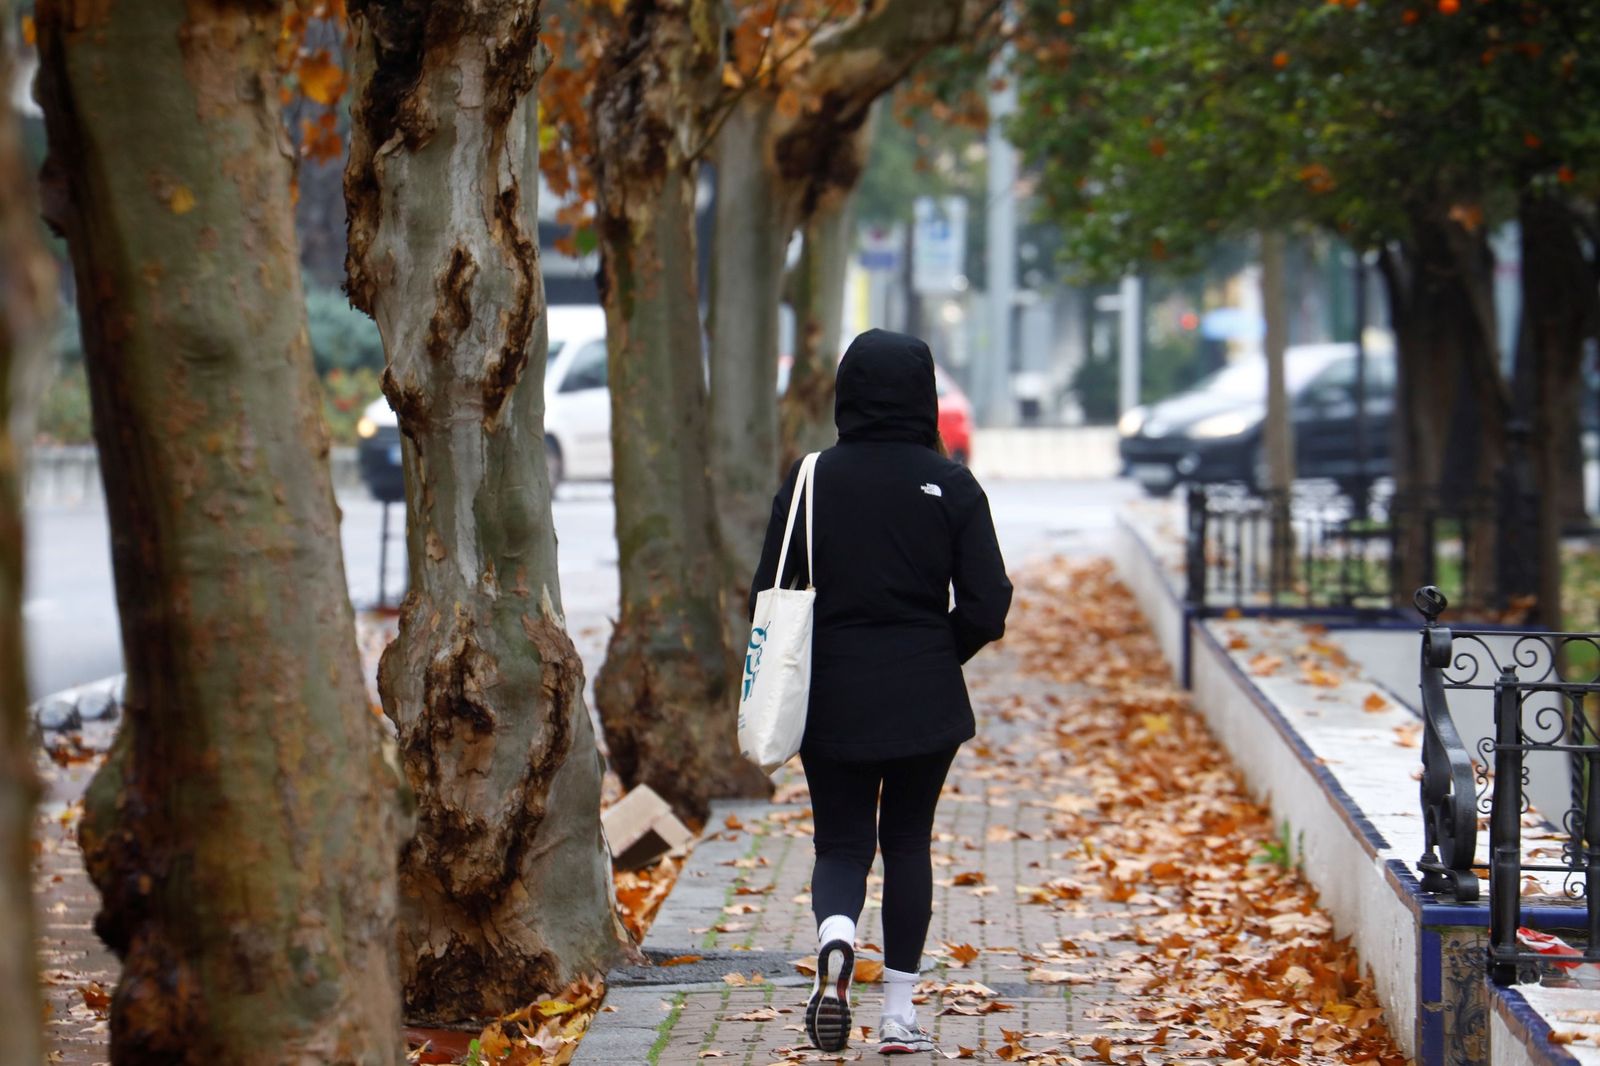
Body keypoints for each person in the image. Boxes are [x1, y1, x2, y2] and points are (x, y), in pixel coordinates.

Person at [749, 329, 1013, 1056]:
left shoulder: (808, 479)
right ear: (924, 395)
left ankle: (837, 939)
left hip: (829, 695)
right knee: (907, 842)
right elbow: (989, 605)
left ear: (846, 393)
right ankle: (899, 1015)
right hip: (924, 700)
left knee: (840, 843)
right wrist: (936, 651)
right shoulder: (952, 484)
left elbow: (769, 596)